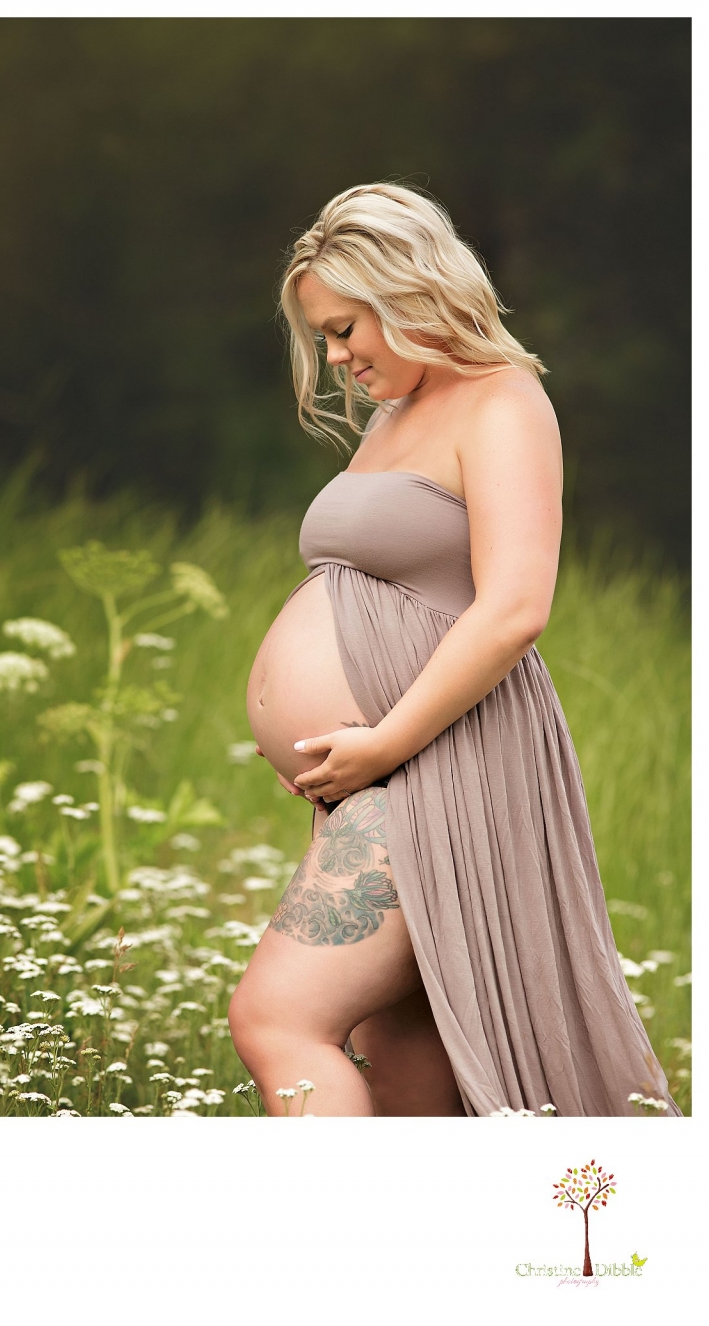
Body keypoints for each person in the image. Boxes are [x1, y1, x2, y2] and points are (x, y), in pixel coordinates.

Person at [229, 182, 681, 1118]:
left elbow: (515, 606)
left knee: (277, 1019)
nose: (337, 356)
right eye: (324, 337)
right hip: (381, 774)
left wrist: (381, 742)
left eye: (346, 328)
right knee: (407, 1071)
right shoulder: (395, 419)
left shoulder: (502, 403)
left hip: (436, 771)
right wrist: (325, 748)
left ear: (409, 294)